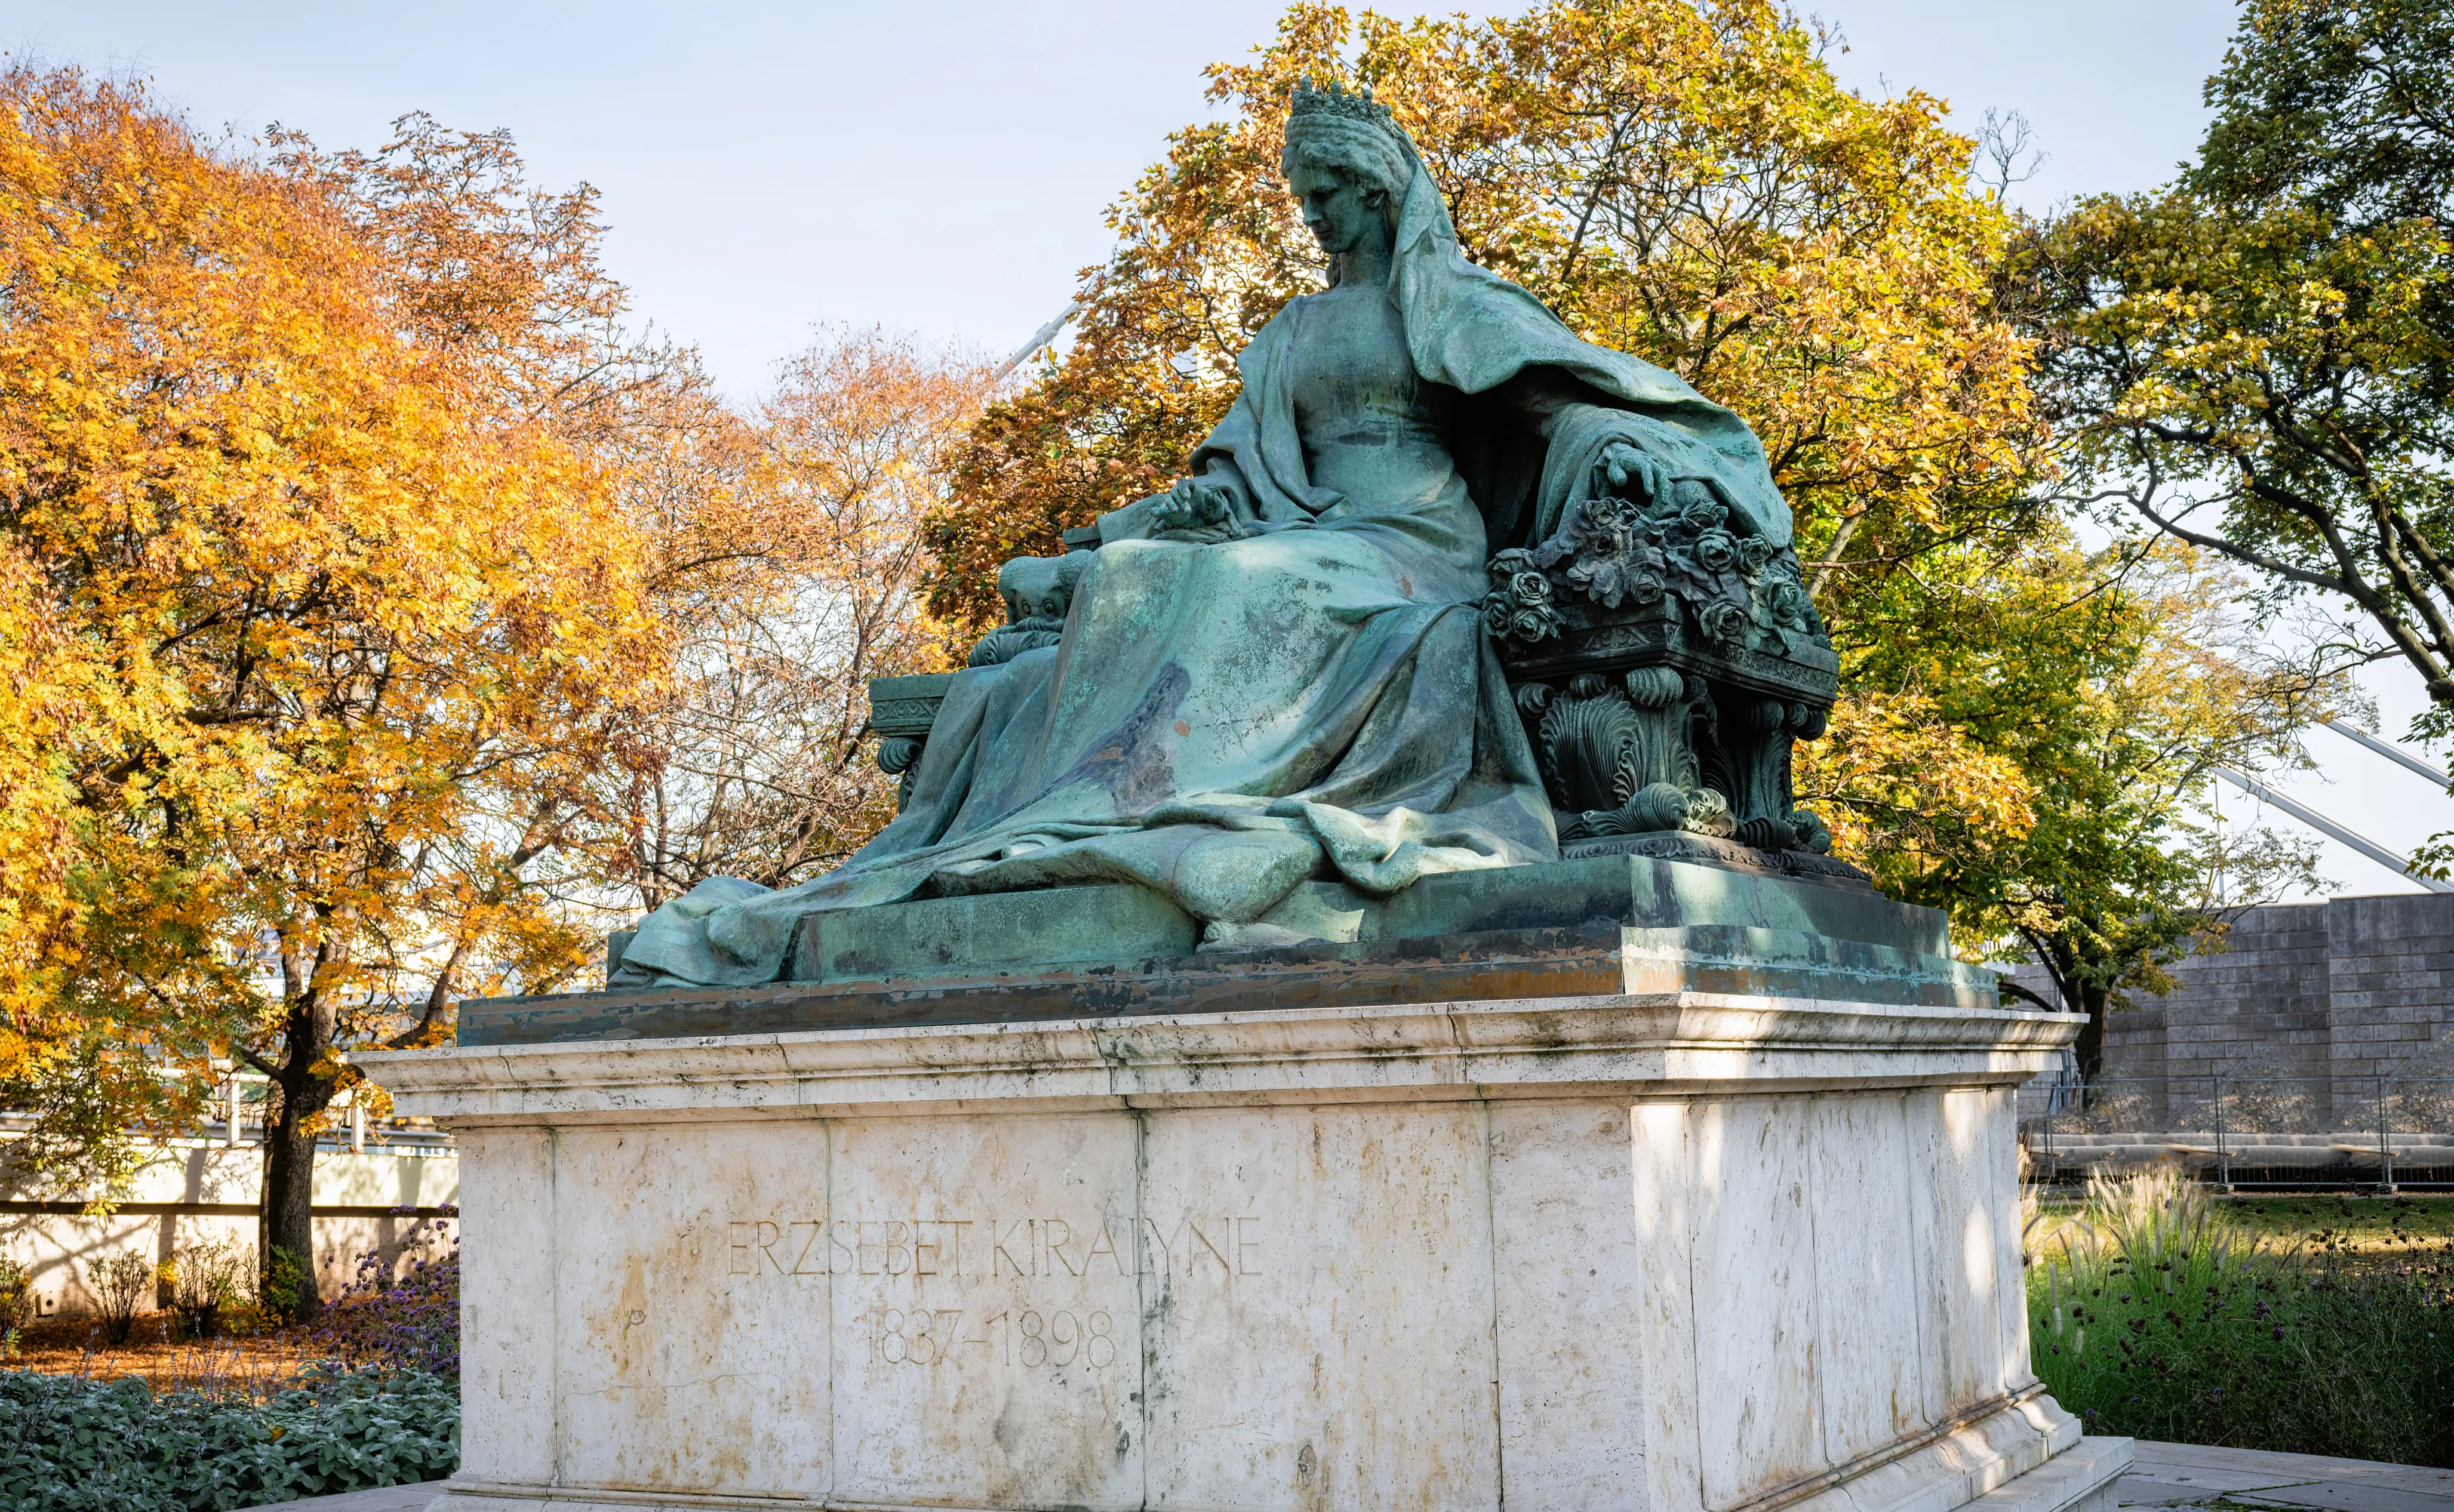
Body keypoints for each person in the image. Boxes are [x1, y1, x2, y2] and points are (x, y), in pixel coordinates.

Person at [611, 84, 1794, 989]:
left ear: (1376, 194)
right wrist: (1118, 530)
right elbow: (1226, 480)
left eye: (1327, 196)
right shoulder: (1286, 333)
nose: (1314, 217)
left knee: (1247, 587)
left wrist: (1634, 453)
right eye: (1303, 199)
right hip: (1305, 531)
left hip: (1411, 545)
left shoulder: (1452, 307)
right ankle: (1095, 814)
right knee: (1143, 574)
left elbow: (1583, 410)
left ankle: (1146, 806)